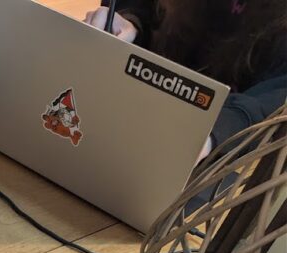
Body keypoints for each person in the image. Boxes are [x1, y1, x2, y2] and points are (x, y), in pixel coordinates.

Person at [84, 0, 287, 161]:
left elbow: (271, 102)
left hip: (212, 163)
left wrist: (210, 135)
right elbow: (141, 8)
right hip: (128, 113)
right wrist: (127, 22)